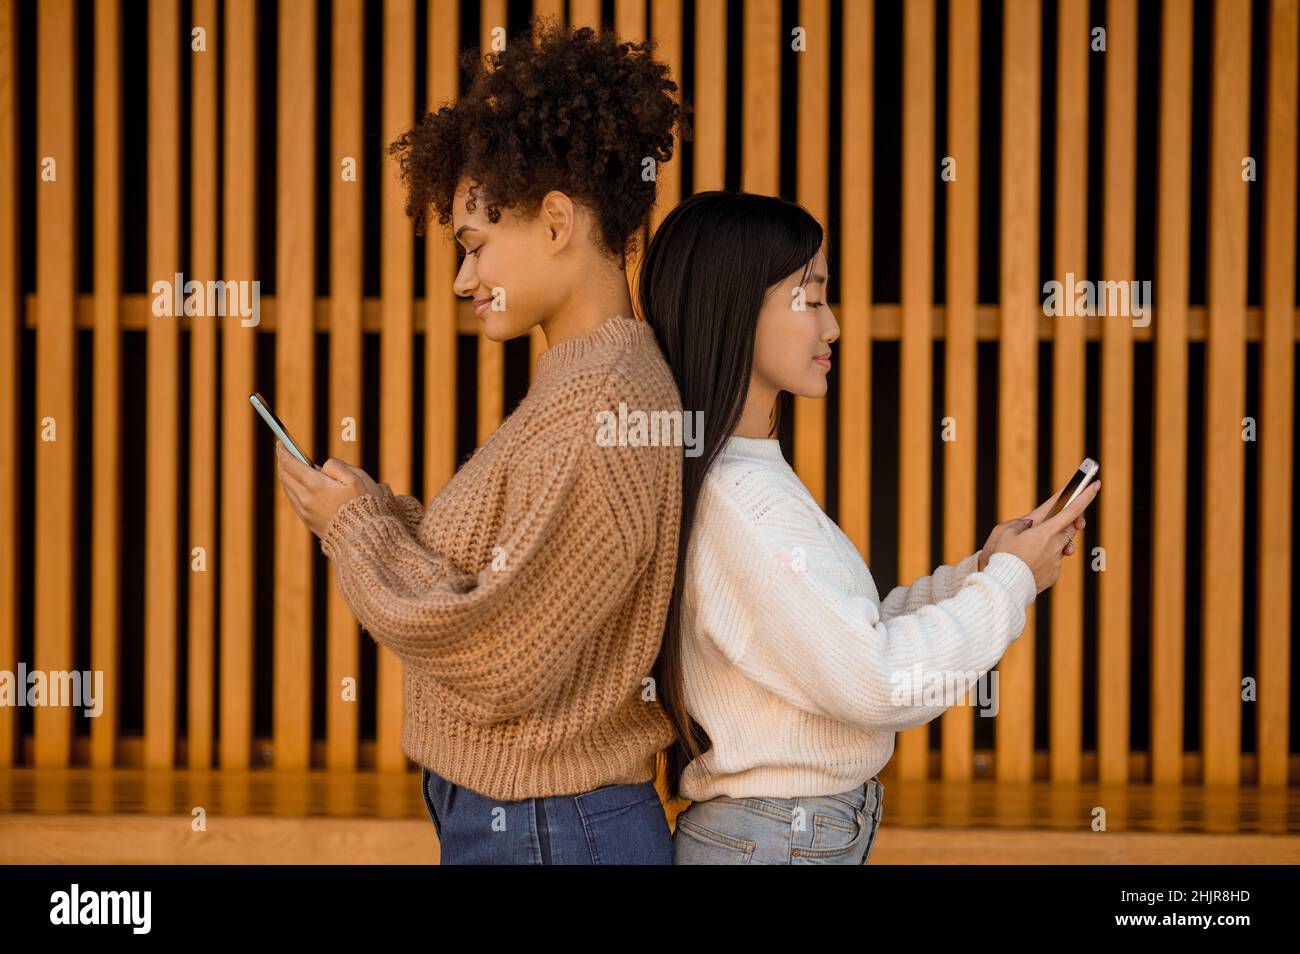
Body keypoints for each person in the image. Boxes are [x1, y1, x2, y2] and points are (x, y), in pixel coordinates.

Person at [274, 20, 690, 864]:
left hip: (549, 826)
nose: (463, 279)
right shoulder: (578, 383)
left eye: (474, 247)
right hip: (536, 821)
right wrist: (371, 513)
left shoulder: (602, 407)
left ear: (557, 223)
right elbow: (499, 584)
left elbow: (503, 655)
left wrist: (355, 531)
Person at [638, 191, 1099, 864]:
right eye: (811, 298)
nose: (832, 327)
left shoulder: (741, 476)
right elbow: (878, 681)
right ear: (736, 308)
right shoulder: (743, 500)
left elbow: (847, 639)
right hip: (776, 842)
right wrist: (1009, 584)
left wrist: (983, 570)